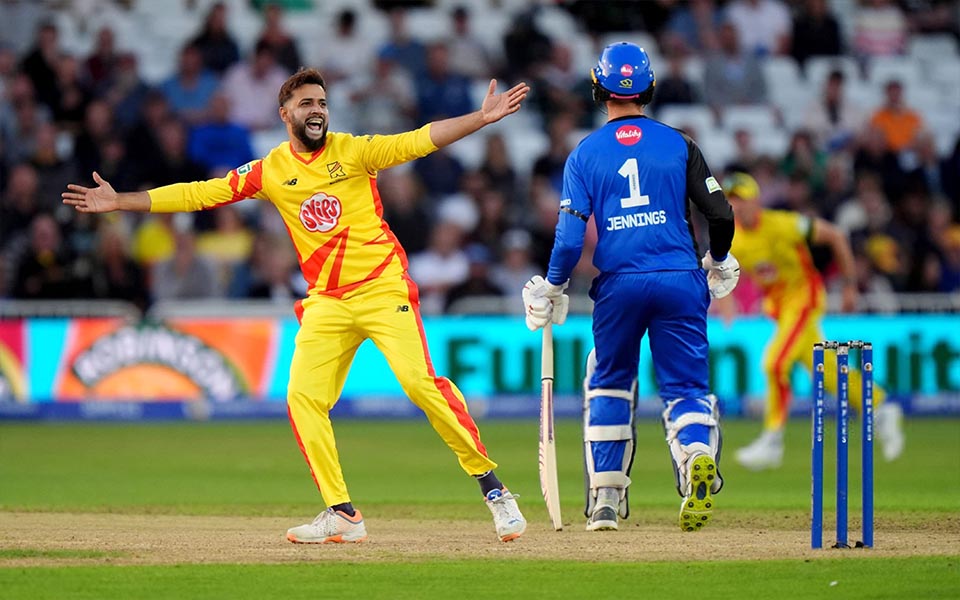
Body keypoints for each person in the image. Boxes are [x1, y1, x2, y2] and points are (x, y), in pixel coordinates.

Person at [63, 67, 531, 544]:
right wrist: (122, 201)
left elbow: (418, 140)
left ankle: (494, 489)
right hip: (326, 302)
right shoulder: (271, 169)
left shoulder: (354, 151)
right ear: (285, 114)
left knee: (419, 384)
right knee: (302, 398)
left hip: (382, 289)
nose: (317, 111)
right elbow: (201, 193)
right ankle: (342, 513)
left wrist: (479, 118)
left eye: (322, 103)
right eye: (307, 103)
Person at [521, 42, 738, 533]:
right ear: (649, 88)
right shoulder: (680, 144)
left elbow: (569, 239)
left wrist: (553, 287)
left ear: (598, 89)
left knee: (609, 381)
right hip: (680, 279)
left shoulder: (584, 154)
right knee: (685, 387)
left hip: (619, 285)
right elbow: (721, 214)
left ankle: (605, 498)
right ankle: (696, 455)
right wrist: (719, 259)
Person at [716, 172, 905, 469]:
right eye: (731, 200)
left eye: (741, 199)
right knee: (827, 372)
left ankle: (773, 440)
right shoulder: (733, 237)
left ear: (755, 201)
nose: (736, 205)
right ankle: (881, 407)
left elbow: (836, 236)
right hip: (781, 308)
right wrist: (725, 302)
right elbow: (722, 269)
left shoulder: (784, 224)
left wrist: (850, 286)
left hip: (804, 298)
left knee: (775, 363)